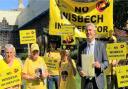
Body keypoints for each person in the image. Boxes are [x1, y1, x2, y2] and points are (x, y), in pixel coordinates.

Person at [77, 23, 108, 89]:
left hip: (98, 81)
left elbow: (106, 62)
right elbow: (78, 64)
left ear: (94, 32)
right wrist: (80, 71)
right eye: (87, 30)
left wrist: (100, 65)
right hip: (86, 81)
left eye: (90, 30)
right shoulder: (81, 47)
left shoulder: (101, 45)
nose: (88, 32)